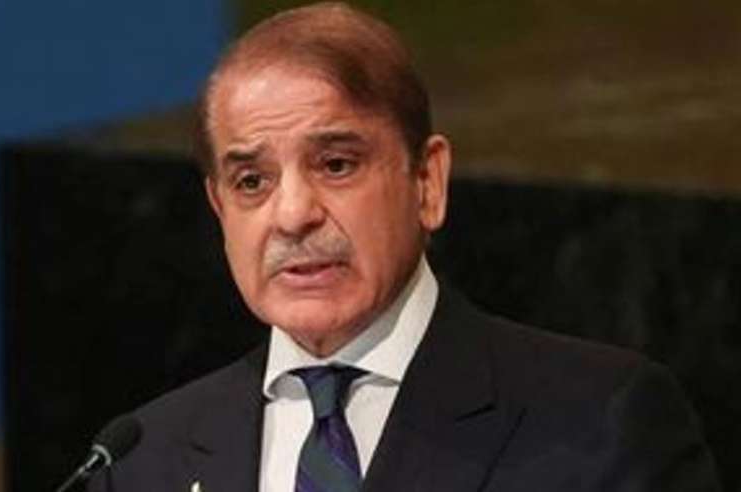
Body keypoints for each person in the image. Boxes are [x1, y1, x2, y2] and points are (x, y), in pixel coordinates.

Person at [89, 2, 721, 491]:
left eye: (336, 164)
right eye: (252, 181)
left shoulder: (600, 422)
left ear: (427, 182)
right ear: (219, 208)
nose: (294, 215)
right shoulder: (142, 461)